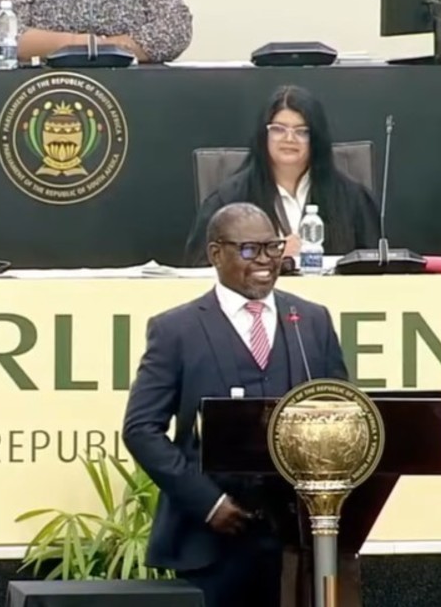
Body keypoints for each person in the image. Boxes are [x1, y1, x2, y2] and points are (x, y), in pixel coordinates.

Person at [123, 202, 349, 607]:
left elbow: (342, 415)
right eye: (249, 250)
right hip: (210, 543)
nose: (265, 261)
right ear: (216, 253)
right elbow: (141, 429)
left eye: (273, 247)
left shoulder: (312, 321)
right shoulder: (176, 331)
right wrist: (207, 503)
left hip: (298, 542)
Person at [184, 85, 380, 266]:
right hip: (256, 293)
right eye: (278, 129)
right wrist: (272, 255)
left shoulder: (353, 199)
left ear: (316, 138)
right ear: (264, 135)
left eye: (301, 131)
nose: (289, 139)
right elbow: (200, 267)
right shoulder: (228, 200)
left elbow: (376, 267)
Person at [0, 0, 192, 64]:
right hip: (42, 88)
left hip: (133, 90)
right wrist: (82, 44)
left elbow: (175, 29)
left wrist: (103, 48)